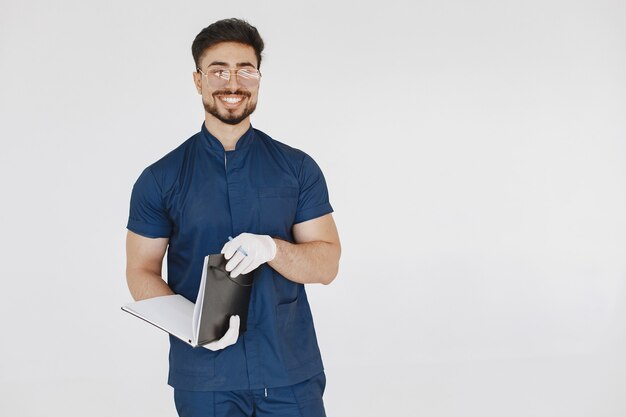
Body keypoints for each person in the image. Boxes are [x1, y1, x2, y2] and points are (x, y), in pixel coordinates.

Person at [125, 18, 341, 417]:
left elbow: (327, 264)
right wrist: (193, 327)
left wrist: (272, 248)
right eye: (218, 70)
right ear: (198, 80)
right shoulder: (161, 178)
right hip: (204, 378)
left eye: (245, 69)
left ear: (258, 78)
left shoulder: (297, 169)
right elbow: (140, 271)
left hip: (288, 372)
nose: (233, 83)